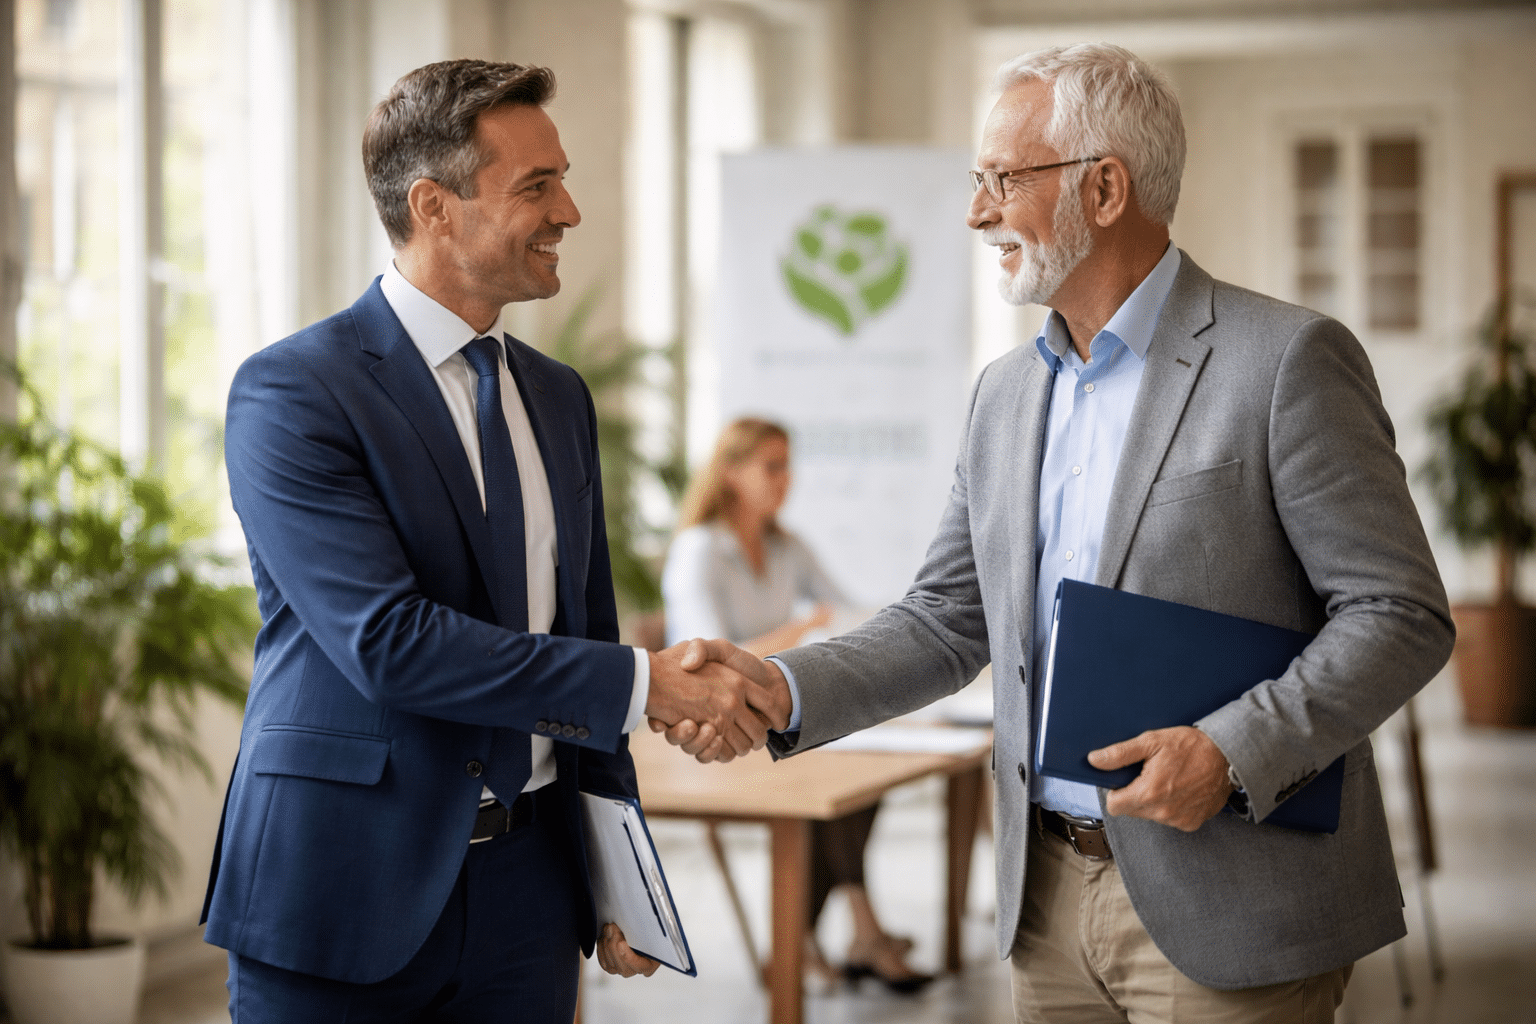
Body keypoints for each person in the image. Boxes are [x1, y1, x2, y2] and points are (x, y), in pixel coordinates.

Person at [662, 42, 1455, 1024]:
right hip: (1044, 905)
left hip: (1234, 901)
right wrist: (779, 687)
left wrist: (1230, 750)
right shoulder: (1003, 395)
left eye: (1003, 179)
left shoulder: (1284, 361)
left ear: (1105, 189)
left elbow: (1400, 612)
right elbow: (946, 617)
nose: (976, 211)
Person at [203, 60, 777, 1024]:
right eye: (537, 187)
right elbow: (389, 642)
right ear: (434, 206)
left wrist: (617, 874)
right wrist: (650, 685)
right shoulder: (295, 392)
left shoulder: (558, 397)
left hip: (528, 892)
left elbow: (584, 629)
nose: (570, 212)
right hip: (341, 883)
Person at [661, 417, 931, 993]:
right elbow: (703, 660)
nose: (786, 479)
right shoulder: (699, 551)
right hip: (715, 734)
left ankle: (819, 939)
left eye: (788, 465)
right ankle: (840, 937)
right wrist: (802, 630)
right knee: (831, 772)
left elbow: (851, 616)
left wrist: (913, 627)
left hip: (773, 725)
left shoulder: (787, 546)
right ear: (731, 472)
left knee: (856, 772)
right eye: (772, 466)